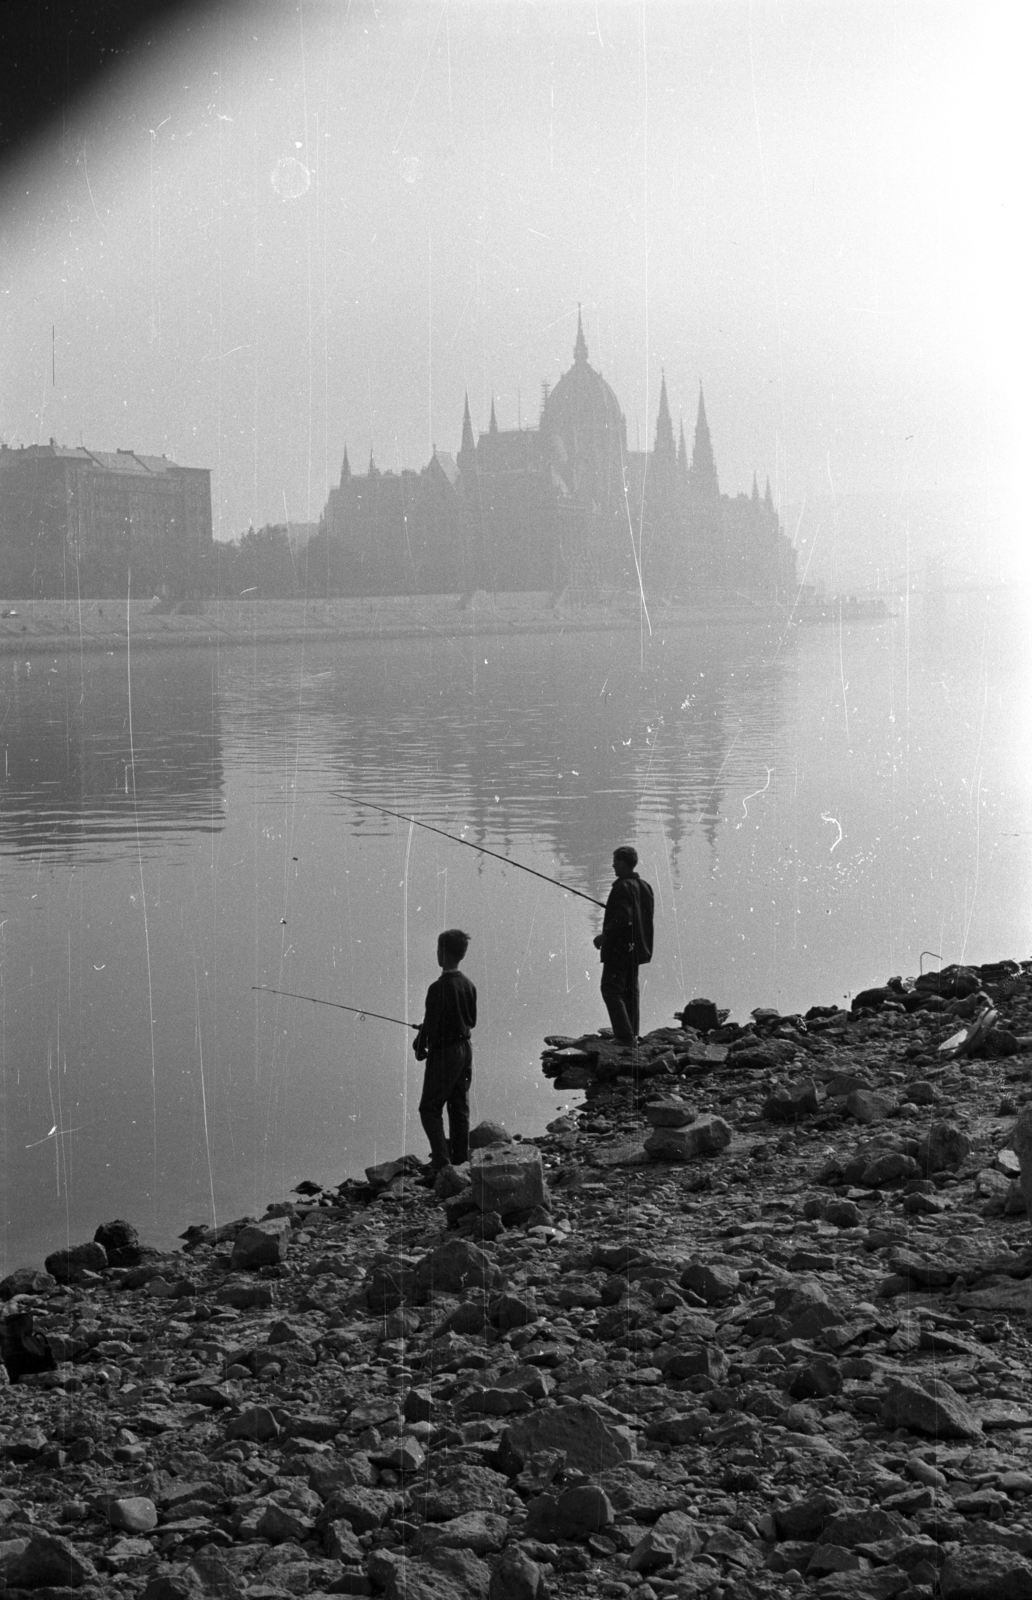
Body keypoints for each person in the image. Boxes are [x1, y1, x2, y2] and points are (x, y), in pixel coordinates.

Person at [413, 927, 477, 1174]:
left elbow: (430, 1026)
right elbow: (471, 1020)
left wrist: (420, 1044)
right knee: (459, 1106)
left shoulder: (437, 988)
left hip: (445, 1054)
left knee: (429, 1108)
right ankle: (461, 1160)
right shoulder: (469, 985)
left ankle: (441, 1164)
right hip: (465, 1049)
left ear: (443, 953)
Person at [593, 846, 654, 1043]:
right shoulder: (644, 886)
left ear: (622, 863)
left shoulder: (622, 887)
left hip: (620, 950)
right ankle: (632, 1033)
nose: (613, 865)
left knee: (610, 989)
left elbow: (623, 917)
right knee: (630, 991)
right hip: (636, 949)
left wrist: (605, 936)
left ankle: (625, 1036)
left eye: (615, 861)